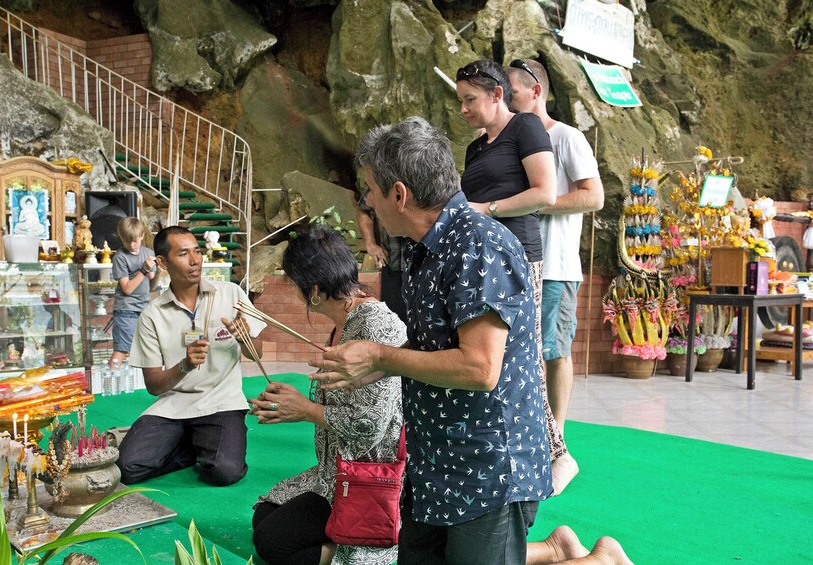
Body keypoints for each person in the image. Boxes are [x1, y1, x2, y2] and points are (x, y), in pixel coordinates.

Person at [314, 116, 551, 565]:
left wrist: (381, 355)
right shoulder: (426, 247)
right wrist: (373, 366)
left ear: (399, 194)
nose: (367, 201)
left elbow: (480, 369)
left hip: (488, 467)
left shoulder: (478, 245)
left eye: (370, 190)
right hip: (436, 461)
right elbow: (432, 351)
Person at [251, 223, 406, 565]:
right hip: (333, 469)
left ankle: (367, 549)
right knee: (263, 516)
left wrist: (305, 409)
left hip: (367, 474)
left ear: (315, 290)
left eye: (294, 284)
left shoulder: (374, 325)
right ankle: (351, 543)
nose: (293, 291)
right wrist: (289, 401)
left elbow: (370, 427)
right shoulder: (346, 321)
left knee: (272, 544)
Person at [455, 58, 571, 492]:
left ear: (497, 94)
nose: (463, 109)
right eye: (460, 100)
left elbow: (545, 193)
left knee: (525, 360)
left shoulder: (526, 128)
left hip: (521, 258)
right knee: (496, 361)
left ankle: (558, 454)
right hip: (483, 261)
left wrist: (487, 209)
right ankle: (521, 453)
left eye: (470, 99)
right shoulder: (475, 148)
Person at [507, 58, 605, 491]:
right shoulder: (510, 142)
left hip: (558, 266)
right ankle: (528, 433)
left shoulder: (566, 137)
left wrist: (537, 201)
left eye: (511, 92)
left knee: (553, 350)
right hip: (518, 265)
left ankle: (558, 437)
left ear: (536, 92)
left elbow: (594, 196)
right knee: (520, 353)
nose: (506, 99)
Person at [116, 226, 264, 486]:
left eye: (197, 251)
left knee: (224, 472)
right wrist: (183, 366)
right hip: (173, 407)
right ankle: (193, 446)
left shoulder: (230, 294)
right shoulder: (153, 314)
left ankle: (205, 446)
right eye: (183, 254)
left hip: (222, 403)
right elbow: (153, 385)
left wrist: (243, 338)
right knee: (127, 468)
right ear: (162, 262)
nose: (195, 260)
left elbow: (257, 354)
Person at [109, 217, 159, 368]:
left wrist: (159, 272)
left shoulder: (148, 253)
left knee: (148, 348)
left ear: (142, 235)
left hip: (144, 309)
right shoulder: (120, 257)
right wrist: (143, 270)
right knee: (122, 350)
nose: (131, 245)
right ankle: (110, 378)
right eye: (127, 241)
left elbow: (152, 286)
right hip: (126, 310)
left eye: (135, 241)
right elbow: (127, 289)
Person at [357, 192, 406, 321]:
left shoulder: (427, 179)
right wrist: (370, 244)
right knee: (393, 324)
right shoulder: (383, 178)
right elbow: (364, 208)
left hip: (422, 268)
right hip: (391, 266)